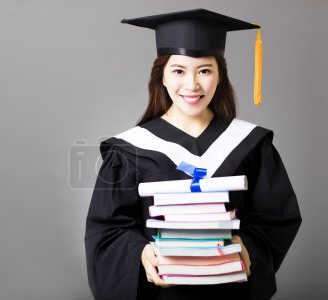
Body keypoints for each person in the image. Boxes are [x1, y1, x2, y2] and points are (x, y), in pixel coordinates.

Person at [84, 9, 301, 300]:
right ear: (161, 76)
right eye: (178, 70)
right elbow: (107, 230)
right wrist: (141, 252)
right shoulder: (129, 150)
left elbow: (276, 218)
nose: (192, 85)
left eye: (205, 70)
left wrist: (246, 246)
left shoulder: (250, 144)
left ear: (219, 76)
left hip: (230, 292)